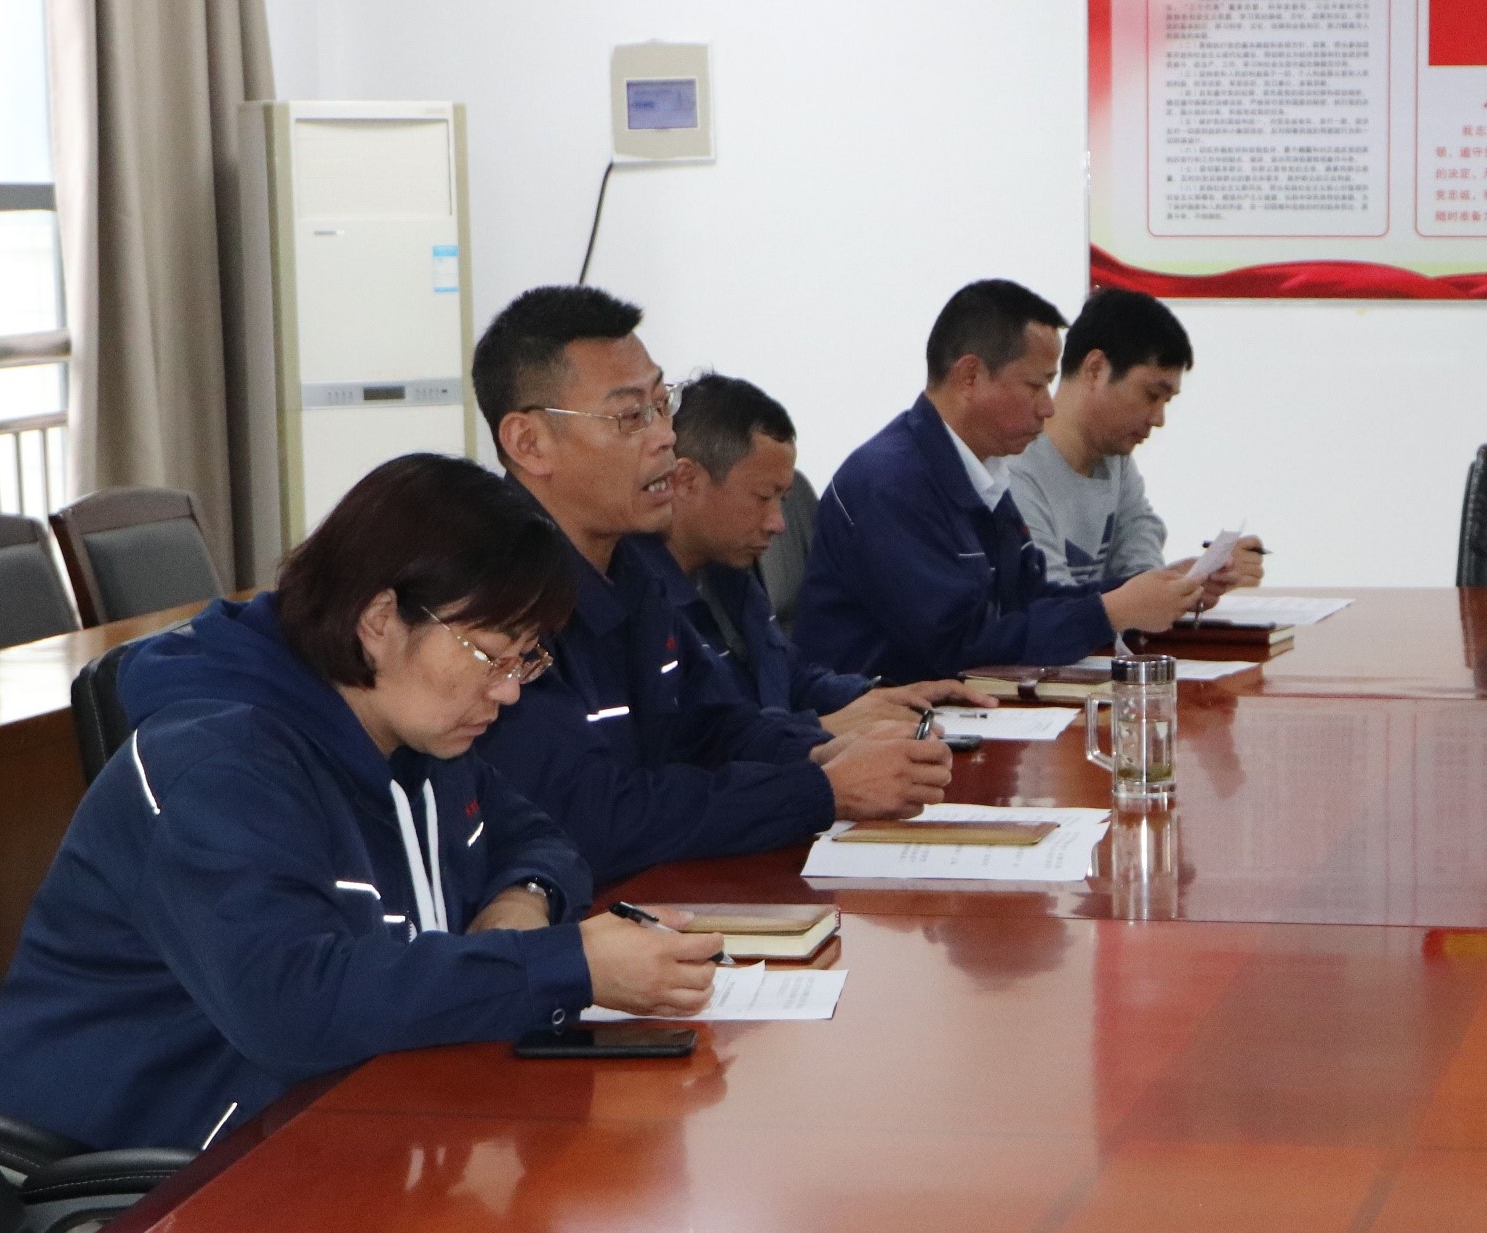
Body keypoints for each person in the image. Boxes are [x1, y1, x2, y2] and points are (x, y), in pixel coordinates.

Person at [0, 454, 726, 1155]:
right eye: (490, 654)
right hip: (166, 1182)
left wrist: (522, 905)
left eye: (526, 658)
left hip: (350, 1124)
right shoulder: (216, 766)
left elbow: (539, 837)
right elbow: (293, 1008)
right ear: (378, 620)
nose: (508, 690)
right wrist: (564, 965)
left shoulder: (417, 732)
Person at [470, 286, 949, 885]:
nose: (665, 437)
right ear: (529, 443)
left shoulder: (634, 566)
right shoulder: (492, 600)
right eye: (630, 417)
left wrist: (815, 751)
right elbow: (594, 819)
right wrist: (819, 790)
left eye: (662, 404)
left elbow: (711, 724)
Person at [791, 279, 1205, 683]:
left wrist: (1143, 592)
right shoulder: (889, 483)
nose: (1048, 408)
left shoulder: (979, 471)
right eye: (1036, 385)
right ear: (970, 376)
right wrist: (1110, 611)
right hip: (883, 714)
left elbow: (1028, 597)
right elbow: (959, 648)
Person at [661, 372, 993, 734]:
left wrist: (876, 696)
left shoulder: (727, 572)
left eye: (782, 500)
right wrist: (825, 728)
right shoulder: (646, 602)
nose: (778, 523)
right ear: (686, 480)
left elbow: (789, 678)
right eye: (763, 497)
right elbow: (703, 748)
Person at [1004, 288, 1262, 602]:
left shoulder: (1115, 460)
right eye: (1152, 395)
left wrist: (1189, 581)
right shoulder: (1014, 472)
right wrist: (1168, 588)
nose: (1158, 419)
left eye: (1167, 402)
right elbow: (1054, 606)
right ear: (1096, 369)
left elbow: (1140, 555)